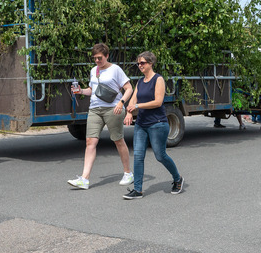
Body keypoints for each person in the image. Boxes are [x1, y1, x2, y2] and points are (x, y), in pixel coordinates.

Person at [67, 43, 133, 190]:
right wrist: (80, 91)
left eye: (100, 58)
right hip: (95, 109)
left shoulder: (115, 69)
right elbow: (92, 89)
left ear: (107, 56)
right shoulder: (93, 70)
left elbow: (129, 88)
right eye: (95, 58)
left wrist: (121, 103)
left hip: (113, 109)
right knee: (90, 141)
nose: (97, 61)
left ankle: (128, 173)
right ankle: (84, 179)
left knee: (118, 140)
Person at [121, 51, 184, 199]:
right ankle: (138, 190)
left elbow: (158, 102)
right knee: (137, 156)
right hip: (141, 124)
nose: (140, 65)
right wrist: (129, 112)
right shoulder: (140, 82)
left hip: (157, 124)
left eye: (142, 63)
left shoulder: (158, 79)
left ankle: (177, 179)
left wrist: (137, 106)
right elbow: (133, 99)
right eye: (138, 63)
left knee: (160, 155)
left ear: (150, 63)